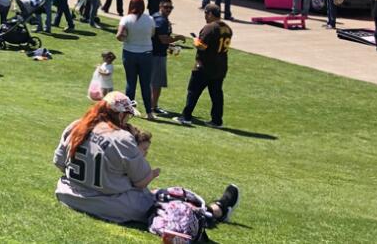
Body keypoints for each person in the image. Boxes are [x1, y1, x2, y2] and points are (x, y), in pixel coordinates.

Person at [53, 92, 241, 225]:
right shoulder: (121, 137)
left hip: (68, 194)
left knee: (152, 196)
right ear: (120, 114)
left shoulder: (77, 125)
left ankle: (216, 209)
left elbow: (59, 163)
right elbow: (141, 182)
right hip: (109, 204)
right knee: (169, 202)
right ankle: (216, 210)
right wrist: (153, 173)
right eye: (126, 115)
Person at [178, 3, 234, 127]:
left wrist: (195, 41)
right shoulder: (227, 28)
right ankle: (217, 120)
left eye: (206, 13)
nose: (205, 16)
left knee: (193, 91)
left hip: (205, 66)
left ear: (210, 14)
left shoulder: (210, 27)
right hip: (220, 66)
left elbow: (201, 46)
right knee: (216, 95)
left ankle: (186, 117)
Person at [116, 0, 156, 120]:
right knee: (145, 84)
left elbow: (119, 35)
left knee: (130, 82)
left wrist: (126, 38)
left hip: (129, 53)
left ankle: (128, 111)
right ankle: (149, 112)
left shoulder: (126, 19)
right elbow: (153, 34)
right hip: (146, 53)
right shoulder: (150, 19)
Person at [150, 0, 184, 116]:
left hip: (153, 52)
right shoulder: (161, 21)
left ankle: (152, 105)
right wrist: (177, 38)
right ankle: (153, 107)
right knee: (157, 83)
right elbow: (163, 39)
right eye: (166, 7)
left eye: (170, 7)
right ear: (160, 6)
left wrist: (170, 44)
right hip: (157, 55)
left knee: (153, 82)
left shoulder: (155, 17)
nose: (168, 10)